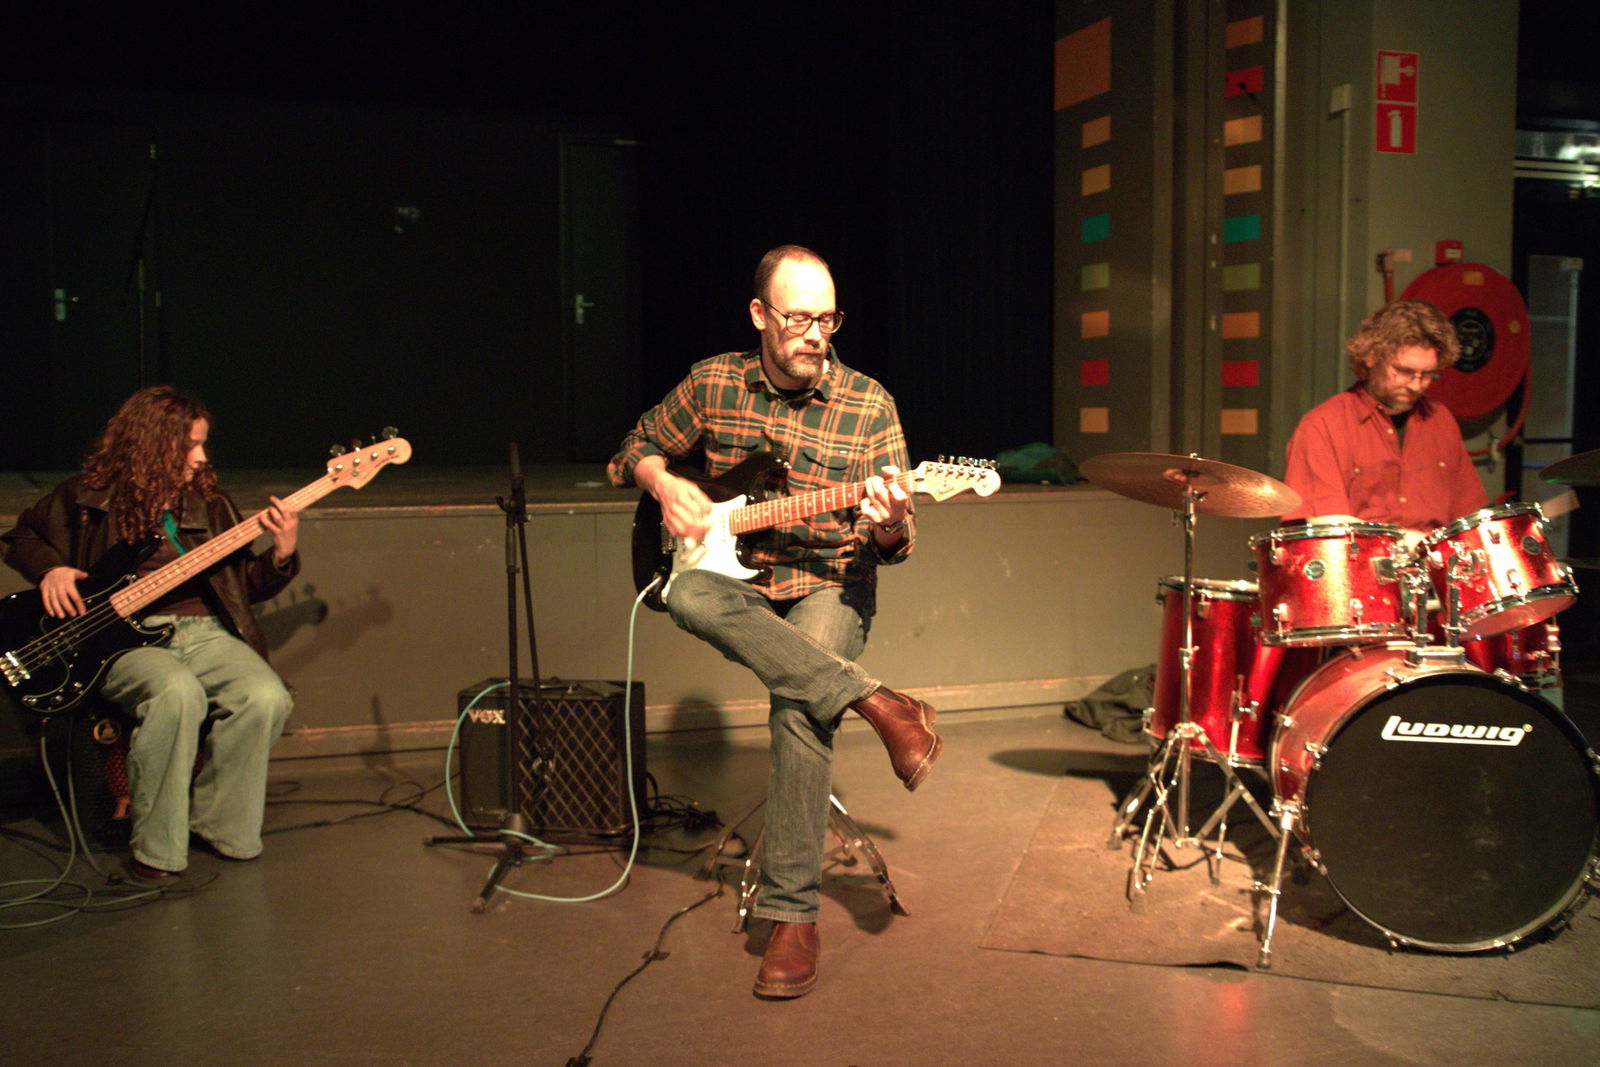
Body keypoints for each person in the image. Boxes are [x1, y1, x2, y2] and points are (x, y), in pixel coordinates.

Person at [608, 244, 941, 999]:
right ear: (760, 315)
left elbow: (896, 546)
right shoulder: (713, 383)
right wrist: (662, 483)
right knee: (687, 595)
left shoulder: (870, 405)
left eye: (828, 319)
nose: (815, 334)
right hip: (737, 584)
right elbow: (631, 449)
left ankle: (791, 914)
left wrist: (891, 518)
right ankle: (880, 702)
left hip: (831, 581)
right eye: (798, 318)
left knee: (800, 705)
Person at [2, 386, 300, 884]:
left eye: (202, 444)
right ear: (152, 443)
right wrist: (50, 570)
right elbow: (22, 535)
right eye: (190, 445)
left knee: (264, 697)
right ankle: (158, 848)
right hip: (121, 638)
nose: (201, 457)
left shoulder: (210, 504)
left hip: (204, 631)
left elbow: (243, 586)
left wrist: (282, 553)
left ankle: (219, 824)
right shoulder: (86, 498)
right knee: (176, 694)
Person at [1282, 299, 1486, 546]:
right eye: (1404, 371)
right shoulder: (1323, 425)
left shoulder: (1439, 419)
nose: (1416, 385)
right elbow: (1327, 528)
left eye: (1427, 374)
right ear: (1371, 357)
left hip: (1436, 567)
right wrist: (1405, 541)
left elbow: (1470, 519)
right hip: (1361, 565)